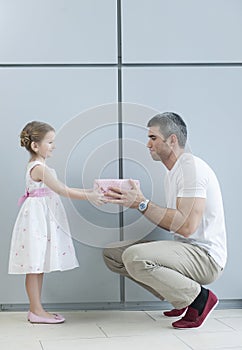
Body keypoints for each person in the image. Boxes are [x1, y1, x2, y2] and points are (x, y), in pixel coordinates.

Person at [103, 112, 227, 329]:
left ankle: (200, 300)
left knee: (134, 256)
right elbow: (173, 222)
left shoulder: (192, 170)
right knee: (113, 255)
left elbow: (187, 227)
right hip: (185, 251)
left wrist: (142, 204)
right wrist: (138, 203)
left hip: (206, 257)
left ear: (172, 140)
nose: (148, 144)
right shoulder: (172, 172)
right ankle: (181, 298)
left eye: (153, 138)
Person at [8, 121, 105, 324]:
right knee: (34, 266)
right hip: (36, 220)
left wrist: (92, 192)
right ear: (35, 145)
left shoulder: (41, 166)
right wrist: (90, 196)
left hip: (40, 217)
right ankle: (36, 310)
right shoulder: (39, 168)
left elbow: (61, 188)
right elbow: (62, 190)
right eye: (50, 142)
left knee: (37, 265)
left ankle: (37, 309)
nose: (54, 146)